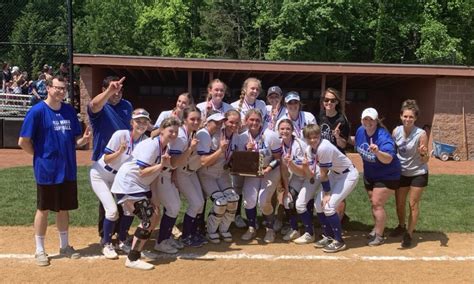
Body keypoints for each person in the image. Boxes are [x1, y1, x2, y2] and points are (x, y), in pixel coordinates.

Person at [18, 75, 90, 266]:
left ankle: (64, 246)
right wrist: (39, 157)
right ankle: (40, 249)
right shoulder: (37, 111)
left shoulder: (68, 111)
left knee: (63, 208)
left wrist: (83, 141)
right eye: (57, 88)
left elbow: (74, 141)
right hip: (47, 170)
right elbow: (23, 141)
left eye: (63, 89)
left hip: (67, 169)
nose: (61, 91)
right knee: (43, 209)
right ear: (48, 88)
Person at [111, 116, 181, 270]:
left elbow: (155, 176)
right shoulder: (152, 146)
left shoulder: (164, 147)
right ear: (162, 130)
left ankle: (138, 251)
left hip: (140, 185)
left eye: (176, 132)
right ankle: (132, 258)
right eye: (171, 131)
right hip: (128, 184)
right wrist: (162, 164)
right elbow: (142, 172)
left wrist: (155, 198)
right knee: (148, 217)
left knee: (154, 215)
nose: (174, 134)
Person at [89, 108, 151, 259]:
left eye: (144, 121)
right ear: (132, 122)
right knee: (112, 211)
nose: (141, 124)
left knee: (129, 210)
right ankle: (106, 243)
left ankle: (122, 240)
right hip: (101, 175)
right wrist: (119, 152)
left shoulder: (145, 141)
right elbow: (105, 159)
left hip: (119, 179)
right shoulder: (120, 135)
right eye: (138, 121)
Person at [88, 76, 133, 242]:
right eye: (114, 90)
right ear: (104, 89)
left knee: (123, 198)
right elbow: (93, 105)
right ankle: (104, 234)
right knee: (106, 201)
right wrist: (109, 91)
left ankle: (121, 233)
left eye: (120, 90)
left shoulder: (127, 105)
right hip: (103, 160)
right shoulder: (101, 105)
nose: (117, 94)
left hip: (123, 161)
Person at [302, 124, 359, 252]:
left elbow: (323, 174)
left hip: (348, 175)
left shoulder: (324, 148)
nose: (313, 140)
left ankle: (339, 241)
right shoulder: (309, 150)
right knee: (318, 205)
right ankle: (329, 236)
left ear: (320, 136)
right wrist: (305, 167)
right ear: (305, 138)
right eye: (309, 138)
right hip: (334, 174)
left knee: (329, 206)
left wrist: (327, 193)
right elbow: (312, 174)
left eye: (315, 137)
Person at [355, 107, 401, 246]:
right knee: (373, 202)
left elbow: (388, 159)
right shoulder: (360, 131)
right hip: (370, 174)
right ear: (362, 120)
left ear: (376, 121)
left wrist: (378, 152)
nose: (368, 122)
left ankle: (379, 235)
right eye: (365, 119)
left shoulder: (383, 137)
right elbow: (356, 143)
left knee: (377, 203)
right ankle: (376, 228)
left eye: (371, 119)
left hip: (388, 175)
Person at [238, 109, 282, 243]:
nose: (254, 122)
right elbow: (239, 161)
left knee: (263, 202)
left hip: (270, 170)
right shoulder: (242, 137)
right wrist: (247, 151)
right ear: (246, 121)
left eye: (257, 120)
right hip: (252, 172)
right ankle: (252, 227)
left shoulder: (271, 135)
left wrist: (268, 168)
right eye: (251, 119)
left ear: (261, 121)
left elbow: (278, 158)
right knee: (249, 200)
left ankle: (270, 228)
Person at [196, 111, 240, 243]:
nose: (233, 125)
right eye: (231, 122)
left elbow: (233, 158)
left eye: (237, 122)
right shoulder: (213, 136)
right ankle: (211, 230)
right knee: (220, 201)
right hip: (207, 173)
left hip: (223, 174)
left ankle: (224, 229)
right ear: (225, 122)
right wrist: (221, 150)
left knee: (232, 200)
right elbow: (204, 162)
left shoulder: (236, 137)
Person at [392, 100, 429, 248]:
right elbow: (392, 151)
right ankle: (401, 225)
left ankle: (409, 234)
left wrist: (422, 154)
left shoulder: (421, 134)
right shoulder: (396, 131)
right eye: (405, 116)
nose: (408, 119)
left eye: (411, 117)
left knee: (412, 204)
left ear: (415, 118)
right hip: (401, 172)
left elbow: (426, 159)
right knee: (399, 204)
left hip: (418, 172)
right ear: (401, 116)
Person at [169, 106, 206, 247]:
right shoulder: (181, 136)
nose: (196, 122)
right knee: (196, 203)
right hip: (181, 172)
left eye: (198, 119)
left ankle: (193, 233)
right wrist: (190, 148)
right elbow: (175, 162)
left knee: (201, 203)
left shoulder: (191, 133)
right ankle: (186, 236)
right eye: (192, 119)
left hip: (190, 172)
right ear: (185, 120)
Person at [279, 119, 318, 244]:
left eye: (288, 129)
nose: (285, 131)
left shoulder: (299, 145)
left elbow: (304, 171)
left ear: (293, 130)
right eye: (282, 129)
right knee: (287, 200)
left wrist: (291, 163)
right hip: (296, 176)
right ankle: (294, 229)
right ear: (278, 130)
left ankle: (309, 231)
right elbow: (284, 171)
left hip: (309, 175)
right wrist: (286, 190)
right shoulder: (279, 144)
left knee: (303, 203)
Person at [318, 88, 351, 222]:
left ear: (337, 102)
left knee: (339, 194)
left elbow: (344, 145)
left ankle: (339, 221)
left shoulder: (342, 120)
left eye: (332, 100)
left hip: (337, 161)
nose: (329, 102)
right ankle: (329, 219)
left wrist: (337, 136)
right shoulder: (320, 116)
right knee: (326, 191)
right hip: (324, 160)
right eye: (326, 100)